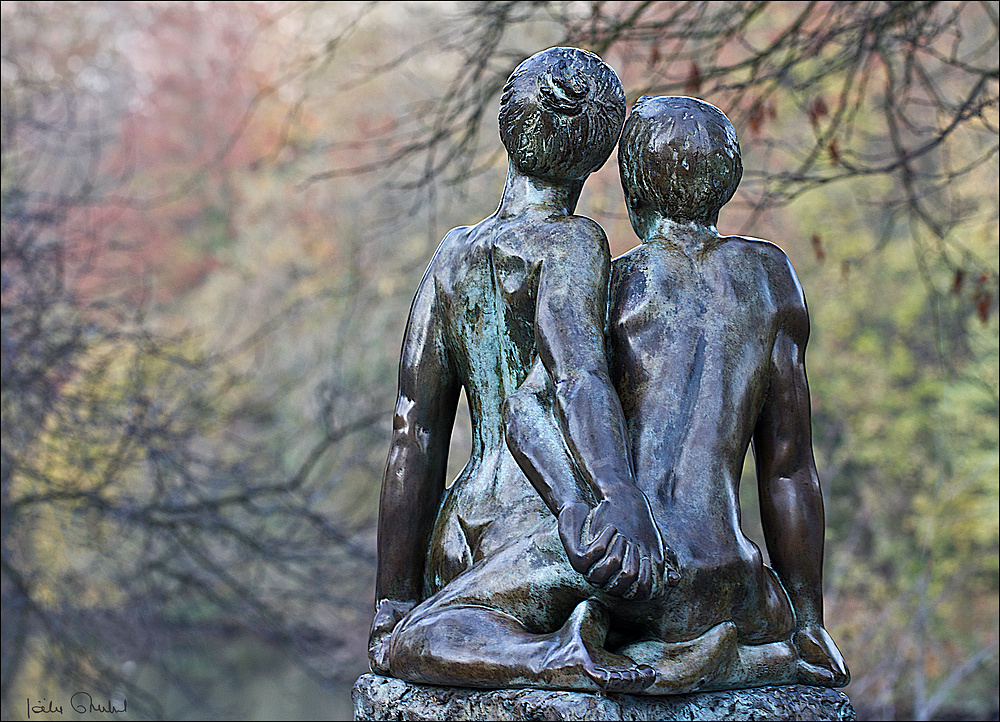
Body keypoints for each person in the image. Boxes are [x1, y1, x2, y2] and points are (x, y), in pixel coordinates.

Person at [506, 95, 850, 691]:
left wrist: (574, 507)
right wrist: (809, 619)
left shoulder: (613, 282)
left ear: (634, 188)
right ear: (725, 183)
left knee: (445, 625)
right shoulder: (771, 278)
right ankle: (756, 654)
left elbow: (526, 412)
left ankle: (654, 659)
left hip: (638, 577)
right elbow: (790, 469)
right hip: (735, 585)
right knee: (764, 609)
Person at [368, 47, 681, 694]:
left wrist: (392, 598)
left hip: (456, 541)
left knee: (416, 633)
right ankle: (552, 655)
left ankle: (434, 627)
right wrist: (622, 499)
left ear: (508, 126)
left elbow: (413, 437)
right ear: (599, 157)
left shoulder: (451, 255)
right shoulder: (574, 242)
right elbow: (577, 378)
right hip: (543, 527)